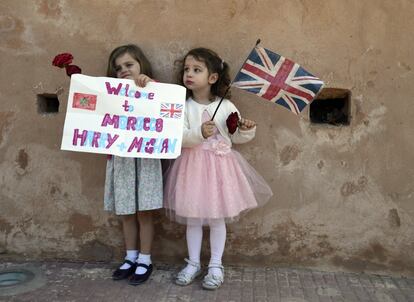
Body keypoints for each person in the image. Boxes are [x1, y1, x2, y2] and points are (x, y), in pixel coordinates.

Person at [164, 48, 273, 290]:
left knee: (216, 218)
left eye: (196, 70)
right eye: (186, 70)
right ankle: (193, 263)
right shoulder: (183, 106)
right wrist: (198, 133)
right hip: (191, 167)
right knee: (192, 218)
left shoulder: (226, 106)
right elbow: (178, 136)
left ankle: (215, 264)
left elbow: (236, 137)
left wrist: (245, 129)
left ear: (212, 78)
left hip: (220, 169)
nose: (189, 74)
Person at [103, 44, 162, 286]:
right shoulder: (111, 93)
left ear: (141, 65)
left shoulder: (153, 87)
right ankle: (130, 257)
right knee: (126, 212)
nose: (124, 71)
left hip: (146, 158)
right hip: (122, 159)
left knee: (144, 212)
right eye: (118, 68)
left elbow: (165, 105)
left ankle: (145, 259)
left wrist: (150, 85)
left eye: (129, 65)